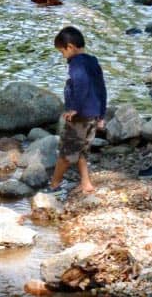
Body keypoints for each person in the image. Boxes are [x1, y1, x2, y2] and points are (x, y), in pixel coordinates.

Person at [45, 26, 107, 194]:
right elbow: (101, 88)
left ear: (70, 47)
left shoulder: (76, 64)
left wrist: (74, 108)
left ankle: (54, 186)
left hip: (80, 116)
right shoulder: (92, 61)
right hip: (93, 115)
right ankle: (86, 183)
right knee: (82, 151)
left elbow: (82, 85)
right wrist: (101, 114)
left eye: (61, 52)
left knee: (66, 153)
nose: (62, 55)